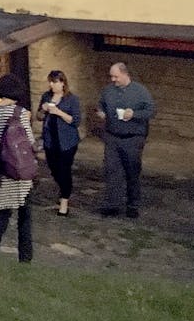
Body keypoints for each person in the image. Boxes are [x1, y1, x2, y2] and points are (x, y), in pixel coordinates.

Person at [0, 74, 36, 262]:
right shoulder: (19, 113)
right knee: (24, 215)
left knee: (1, 215)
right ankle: (25, 258)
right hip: (17, 173)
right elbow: (30, 143)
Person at [95, 62, 155, 218]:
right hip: (113, 137)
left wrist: (134, 114)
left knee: (132, 172)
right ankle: (112, 204)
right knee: (112, 171)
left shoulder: (140, 91)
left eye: (116, 76)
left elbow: (151, 110)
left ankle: (132, 205)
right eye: (112, 76)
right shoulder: (108, 91)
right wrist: (101, 112)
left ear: (125, 74)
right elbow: (100, 105)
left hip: (133, 138)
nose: (113, 79)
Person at [37, 70, 82, 217]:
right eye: (50, 82)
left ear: (62, 83)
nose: (51, 85)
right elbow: (38, 116)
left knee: (64, 169)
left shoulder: (71, 99)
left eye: (54, 82)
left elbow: (75, 121)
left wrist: (58, 112)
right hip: (51, 140)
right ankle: (63, 188)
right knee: (54, 169)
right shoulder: (46, 96)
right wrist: (43, 111)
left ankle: (64, 201)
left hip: (67, 141)